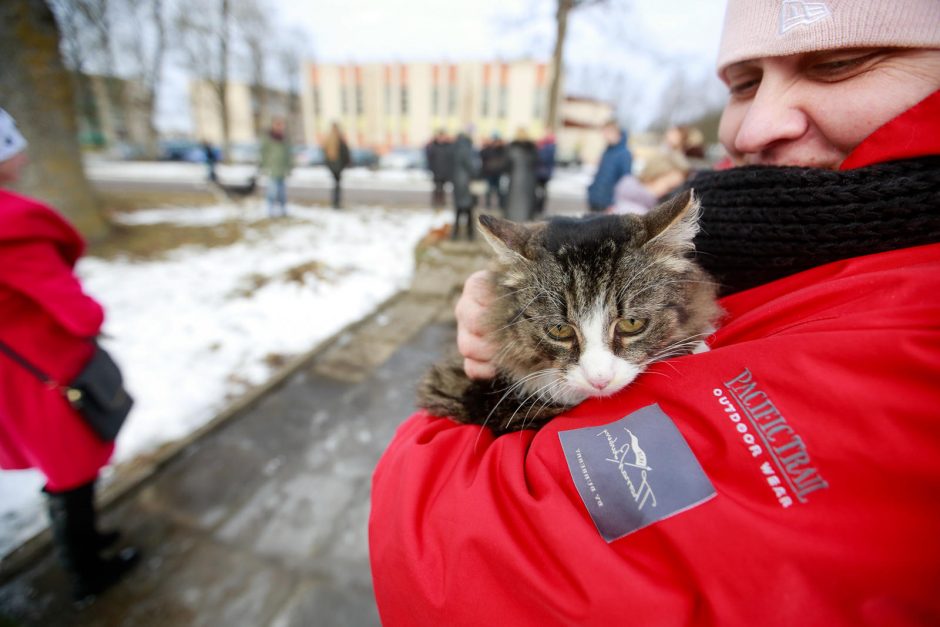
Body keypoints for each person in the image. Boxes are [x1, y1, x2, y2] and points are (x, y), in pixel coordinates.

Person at [369, 2, 940, 624]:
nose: (757, 129)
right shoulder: (751, 213)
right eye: (745, 82)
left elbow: (455, 566)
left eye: (838, 64)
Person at [0, 107, 139, 604]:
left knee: (59, 470)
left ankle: (83, 543)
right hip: (43, 377)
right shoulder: (13, 229)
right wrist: (89, 307)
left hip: (12, 376)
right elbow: (80, 315)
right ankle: (87, 572)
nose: (22, 150)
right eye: (11, 141)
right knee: (70, 473)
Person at [610, 149, 690, 216]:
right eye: (670, 187)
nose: (675, 194)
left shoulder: (630, 197)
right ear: (653, 176)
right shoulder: (638, 213)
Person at [586, 120, 633, 212]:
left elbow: (625, 182)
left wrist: (614, 203)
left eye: (606, 132)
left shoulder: (625, 154)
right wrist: (591, 191)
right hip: (595, 201)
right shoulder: (607, 151)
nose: (604, 136)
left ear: (615, 132)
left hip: (608, 205)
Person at [259, 117, 292, 217]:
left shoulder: (284, 138)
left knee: (282, 193)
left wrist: (289, 167)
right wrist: (264, 166)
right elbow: (263, 153)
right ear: (273, 126)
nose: (280, 127)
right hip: (272, 168)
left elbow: (288, 154)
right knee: (272, 192)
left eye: (281, 125)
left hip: (282, 169)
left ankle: (283, 210)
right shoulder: (268, 138)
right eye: (278, 124)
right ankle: (270, 210)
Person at [504, 127, 537, 222]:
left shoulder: (511, 148)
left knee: (513, 208)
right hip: (529, 181)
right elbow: (536, 163)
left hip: (515, 180)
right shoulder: (532, 149)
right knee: (527, 208)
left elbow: (506, 165)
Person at [450, 131, 477, 241]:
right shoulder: (467, 149)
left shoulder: (453, 148)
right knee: (469, 208)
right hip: (466, 182)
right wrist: (476, 173)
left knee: (458, 208)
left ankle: (455, 233)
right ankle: (470, 234)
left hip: (456, 181)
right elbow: (471, 166)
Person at [323, 122, 351, 210]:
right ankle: (336, 203)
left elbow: (325, 155)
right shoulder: (338, 139)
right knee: (337, 185)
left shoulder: (328, 140)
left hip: (334, 166)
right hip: (338, 166)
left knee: (336, 185)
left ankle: (335, 203)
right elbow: (345, 153)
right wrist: (345, 163)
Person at [425, 130, 454, 209]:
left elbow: (451, 157)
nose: (441, 138)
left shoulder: (448, 146)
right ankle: (436, 202)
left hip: (445, 171)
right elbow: (428, 156)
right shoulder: (433, 146)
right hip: (436, 171)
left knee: (443, 188)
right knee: (437, 188)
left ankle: (442, 202)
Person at [479, 133, 508, 211]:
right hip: (490, 172)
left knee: (500, 191)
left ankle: (501, 205)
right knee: (489, 190)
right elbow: (482, 154)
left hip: (498, 173)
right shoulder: (488, 149)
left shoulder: (502, 150)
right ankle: (488, 205)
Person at [534, 133, 556, 216]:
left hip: (542, 173)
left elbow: (543, 158)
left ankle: (539, 208)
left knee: (541, 191)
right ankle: (539, 207)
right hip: (544, 172)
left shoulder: (548, 148)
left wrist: (539, 149)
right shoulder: (550, 148)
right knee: (541, 191)